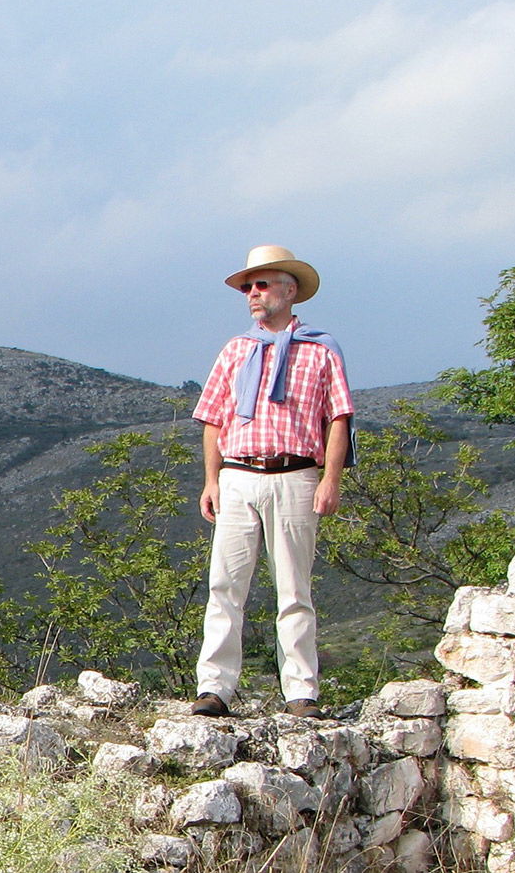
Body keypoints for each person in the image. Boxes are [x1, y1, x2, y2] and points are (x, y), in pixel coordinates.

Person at [187, 245, 353, 720]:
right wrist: (211, 480)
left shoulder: (321, 350)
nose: (252, 295)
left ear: (290, 289)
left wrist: (330, 480)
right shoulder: (236, 350)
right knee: (225, 584)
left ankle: (301, 690)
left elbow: (338, 418)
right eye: (247, 287)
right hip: (239, 474)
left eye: (261, 285)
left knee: (294, 588)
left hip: (296, 474)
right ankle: (214, 687)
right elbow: (213, 419)